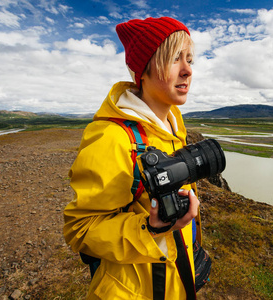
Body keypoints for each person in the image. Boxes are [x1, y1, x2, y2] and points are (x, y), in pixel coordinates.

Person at [63, 17, 204, 299]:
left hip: (175, 281)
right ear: (145, 67)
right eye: (175, 58)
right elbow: (80, 229)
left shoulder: (174, 126)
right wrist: (148, 228)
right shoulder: (112, 138)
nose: (187, 70)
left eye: (189, 59)